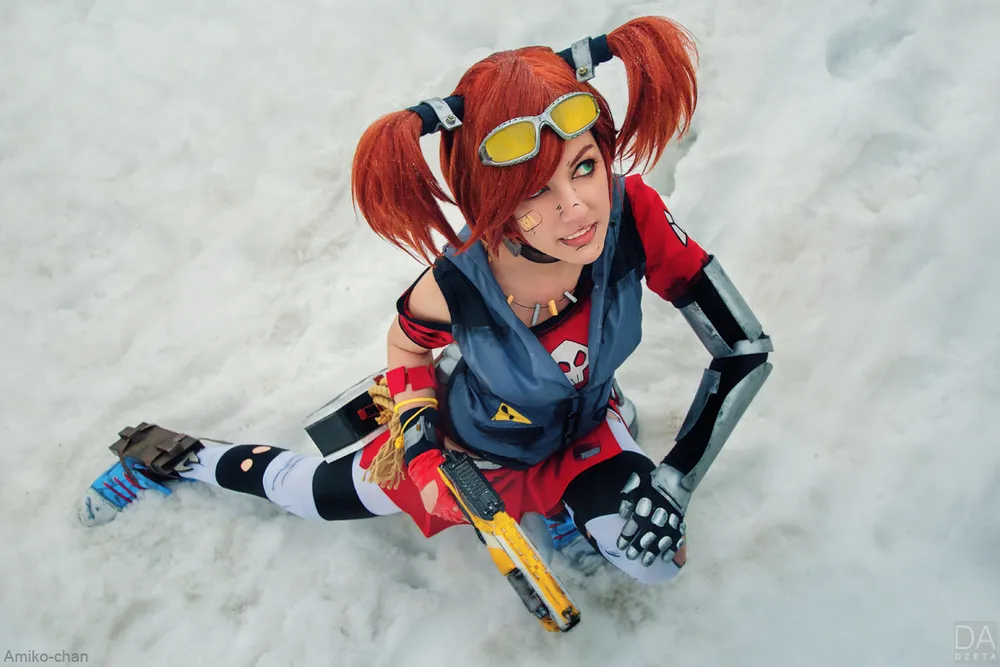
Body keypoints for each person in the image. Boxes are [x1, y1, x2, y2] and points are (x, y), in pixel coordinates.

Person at [79, 15, 772, 586]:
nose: (577, 208)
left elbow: (744, 347)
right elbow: (406, 341)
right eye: (535, 190)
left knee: (656, 558)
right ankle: (169, 454)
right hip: (473, 453)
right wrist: (417, 440)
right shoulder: (459, 281)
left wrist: (676, 481)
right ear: (490, 199)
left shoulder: (634, 215)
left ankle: (567, 498)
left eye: (584, 166)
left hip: (585, 433)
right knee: (310, 493)